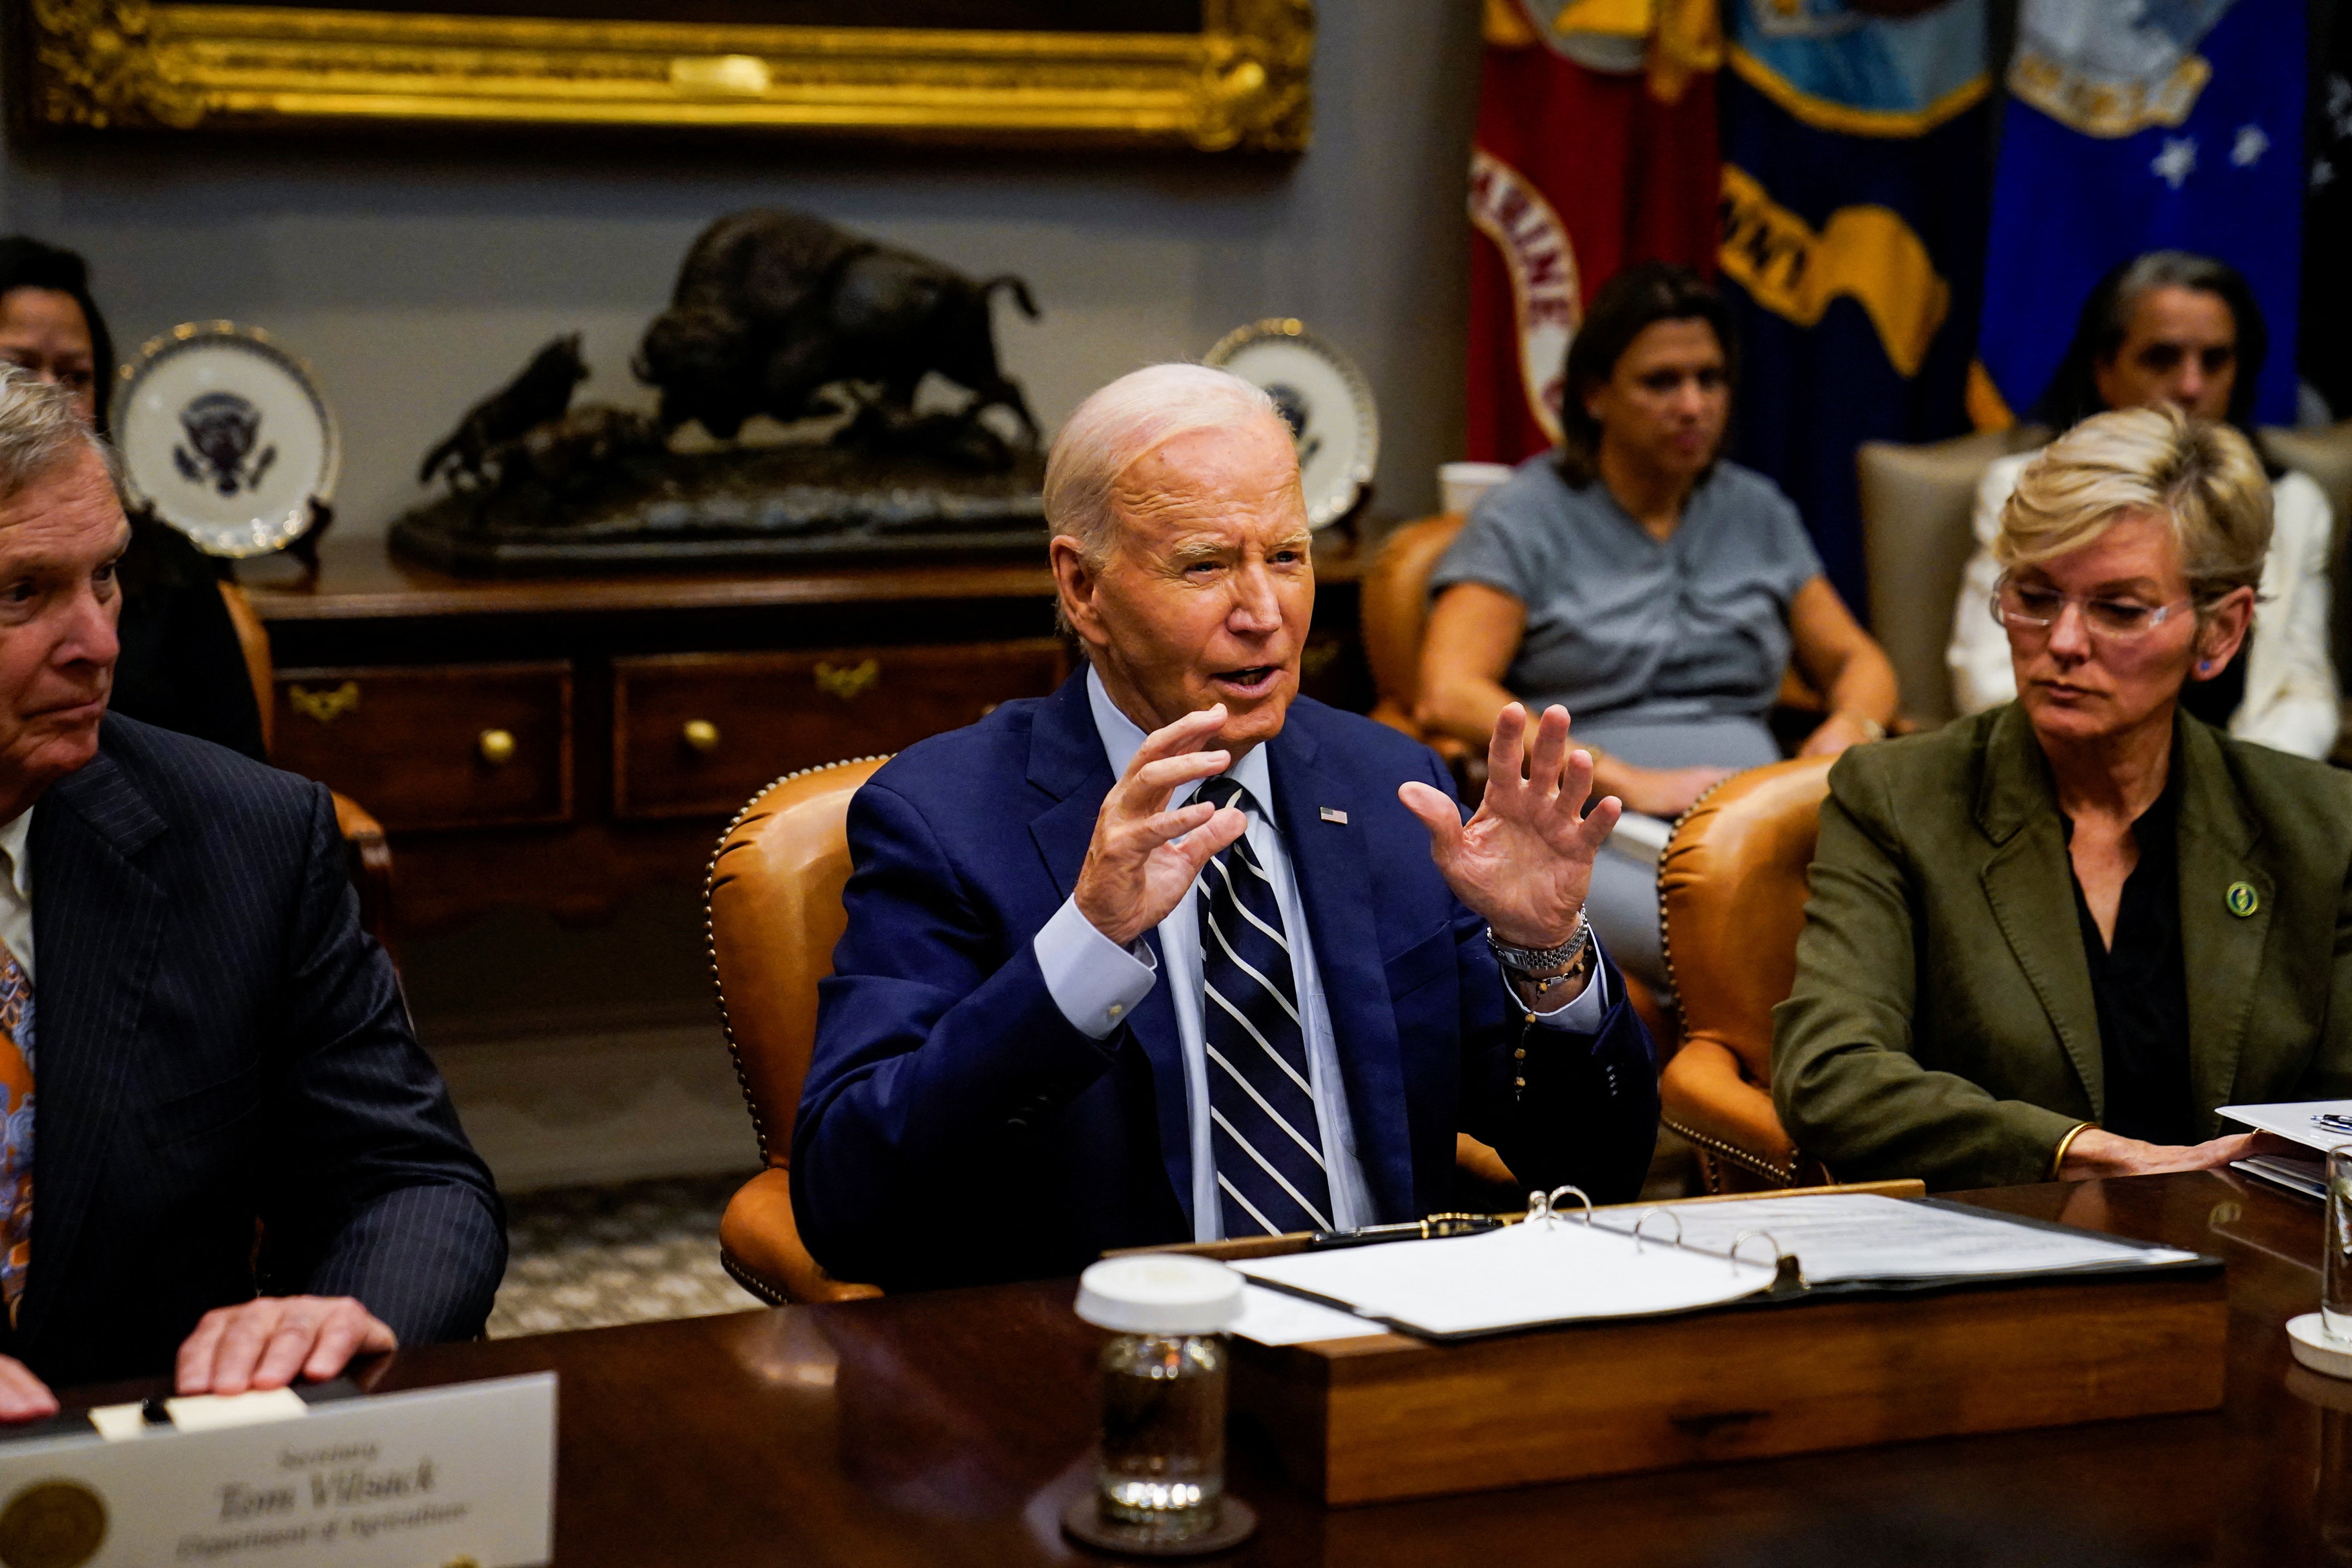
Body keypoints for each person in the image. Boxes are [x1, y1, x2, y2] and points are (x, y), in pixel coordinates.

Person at [792, 364, 1659, 1292]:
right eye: (1205, 565)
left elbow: (1588, 1170)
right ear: (1082, 589)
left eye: (1286, 557)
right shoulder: (944, 816)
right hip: (1113, 1371)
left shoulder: (1389, 789)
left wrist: (1545, 955)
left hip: (1387, 1345)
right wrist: (1085, 945)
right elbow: (848, 1204)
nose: (1263, 614)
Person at [0, 369, 504, 1417]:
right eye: (21, 593)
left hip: (154, 1471)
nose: (97, 642)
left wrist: (343, 1308)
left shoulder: (247, 837)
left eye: (104, 577)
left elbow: (410, 1183)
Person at [1774, 406, 2346, 1190]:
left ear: (2221, 631)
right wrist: (2076, 1150)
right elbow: (1831, 1074)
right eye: (2036, 597)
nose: (2066, 642)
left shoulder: (2321, 827)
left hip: (2264, 1268)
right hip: (2004, 1263)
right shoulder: (1899, 799)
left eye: (2118, 609)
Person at [1417, 262, 1897, 992]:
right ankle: (1728, 1102)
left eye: (1710, 379)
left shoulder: (1757, 511)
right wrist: (1626, 779)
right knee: (1728, 931)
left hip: (1759, 808)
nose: (1693, 405)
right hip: (1592, 820)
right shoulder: (1526, 514)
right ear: (1596, 394)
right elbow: (1448, 690)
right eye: (1662, 382)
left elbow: (1857, 659)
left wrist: (1845, 737)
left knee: (1885, 925)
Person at [1948, 251, 2336, 758]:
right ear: (2104, 370)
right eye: (2162, 358)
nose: (2191, 386)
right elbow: (1985, 679)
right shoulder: (2027, 489)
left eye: (2215, 361)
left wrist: (2230, 793)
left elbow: (2305, 696)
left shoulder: (2293, 505)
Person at [0, 236, 267, 762]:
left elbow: (240, 778)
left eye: (76, 378)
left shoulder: (168, 563)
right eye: (21, 373)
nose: (102, 647)